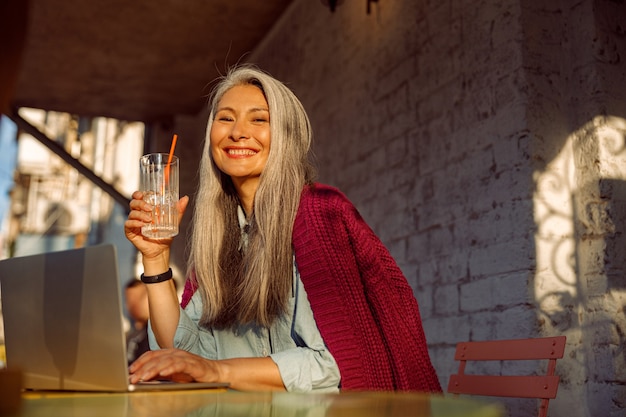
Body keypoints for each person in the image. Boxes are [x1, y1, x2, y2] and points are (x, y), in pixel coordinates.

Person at [124, 65, 442, 393]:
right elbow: (182, 354)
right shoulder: (223, 235)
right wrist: (157, 259)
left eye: (259, 119)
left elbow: (334, 366)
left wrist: (217, 371)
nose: (237, 132)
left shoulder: (320, 214)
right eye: (226, 118)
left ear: (286, 135)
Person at [124, 279, 151, 365]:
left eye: (140, 297)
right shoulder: (129, 335)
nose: (134, 304)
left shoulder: (157, 333)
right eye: (130, 300)